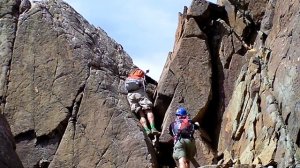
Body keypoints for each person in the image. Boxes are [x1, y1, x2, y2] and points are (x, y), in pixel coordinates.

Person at [125, 68, 159, 136]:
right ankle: (153, 128)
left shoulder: (129, 78)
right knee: (148, 110)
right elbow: (151, 81)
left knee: (141, 114)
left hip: (130, 95)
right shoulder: (142, 75)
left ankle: (146, 130)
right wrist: (156, 83)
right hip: (139, 93)